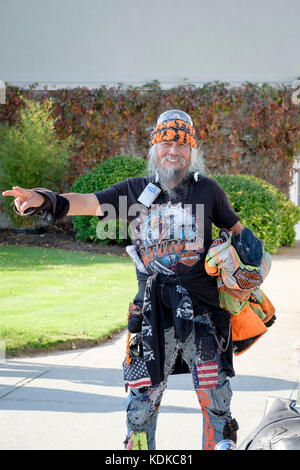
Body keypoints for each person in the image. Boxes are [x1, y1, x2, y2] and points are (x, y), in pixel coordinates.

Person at [3, 109, 245, 450]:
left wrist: (240, 257)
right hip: (150, 317)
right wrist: (43, 200)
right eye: (166, 142)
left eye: (181, 143)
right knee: (140, 410)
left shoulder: (209, 191)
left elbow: (242, 237)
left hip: (202, 316)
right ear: (153, 148)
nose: (173, 150)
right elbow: (85, 202)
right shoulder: (134, 192)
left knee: (216, 403)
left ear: (192, 151)